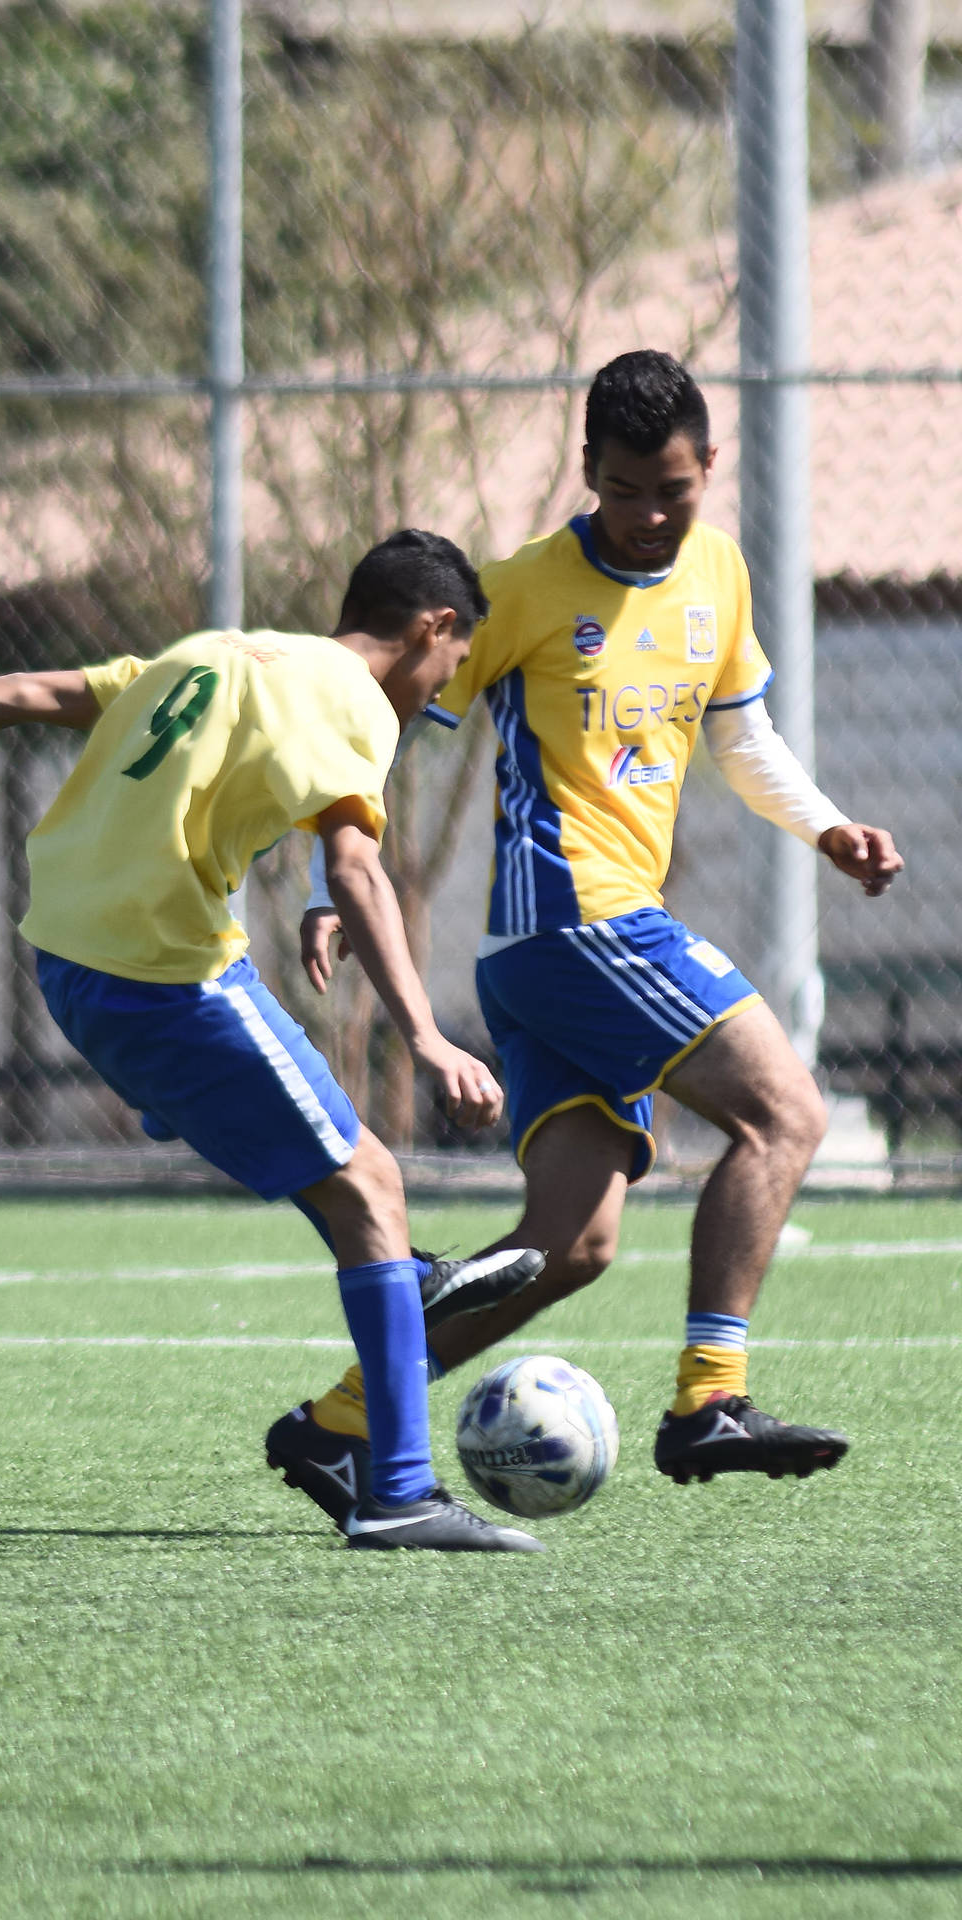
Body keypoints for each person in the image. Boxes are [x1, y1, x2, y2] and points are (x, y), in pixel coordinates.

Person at [0, 528, 548, 1554]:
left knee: (348, 1181)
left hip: (69, 963)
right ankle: (395, 1491)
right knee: (372, 1185)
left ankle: (397, 1298)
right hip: (167, 980)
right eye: (450, 664)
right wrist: (427, 1037)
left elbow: (25, 693)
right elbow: (355, 865)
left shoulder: (215, 654)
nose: (437, 693)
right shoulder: (355, 704)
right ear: (433, 627)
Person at [269, 350, 903, 1531]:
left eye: (672, 490)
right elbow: (385, 713)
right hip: (576, 923)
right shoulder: (519, 590)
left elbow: (739, 738)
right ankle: (708, 1400)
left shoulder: (716, 573)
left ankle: (340, 1422)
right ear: (585, 472)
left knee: (569, 1245)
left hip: (558, 954)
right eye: (623, 491)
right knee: (786, 1114)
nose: (650, 514)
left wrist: (825, 828)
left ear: (707, 465)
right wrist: (329, 877)